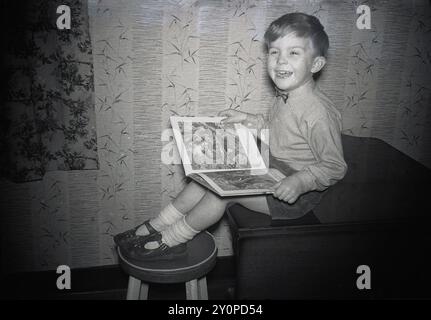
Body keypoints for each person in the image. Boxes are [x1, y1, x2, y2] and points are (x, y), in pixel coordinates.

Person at [114, 12, 347, 260]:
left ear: (316, 64)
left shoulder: (318, 113)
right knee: (206, 178)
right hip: (270, 168)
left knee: (220, 193)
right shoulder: (286, 94)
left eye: (293, 53)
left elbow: (335, 166)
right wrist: (248, 119)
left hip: (293, 194)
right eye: (274, 52)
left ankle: (173, 239)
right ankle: (159, 224)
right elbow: (275, 127)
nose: (279, 61)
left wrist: (300, 181)